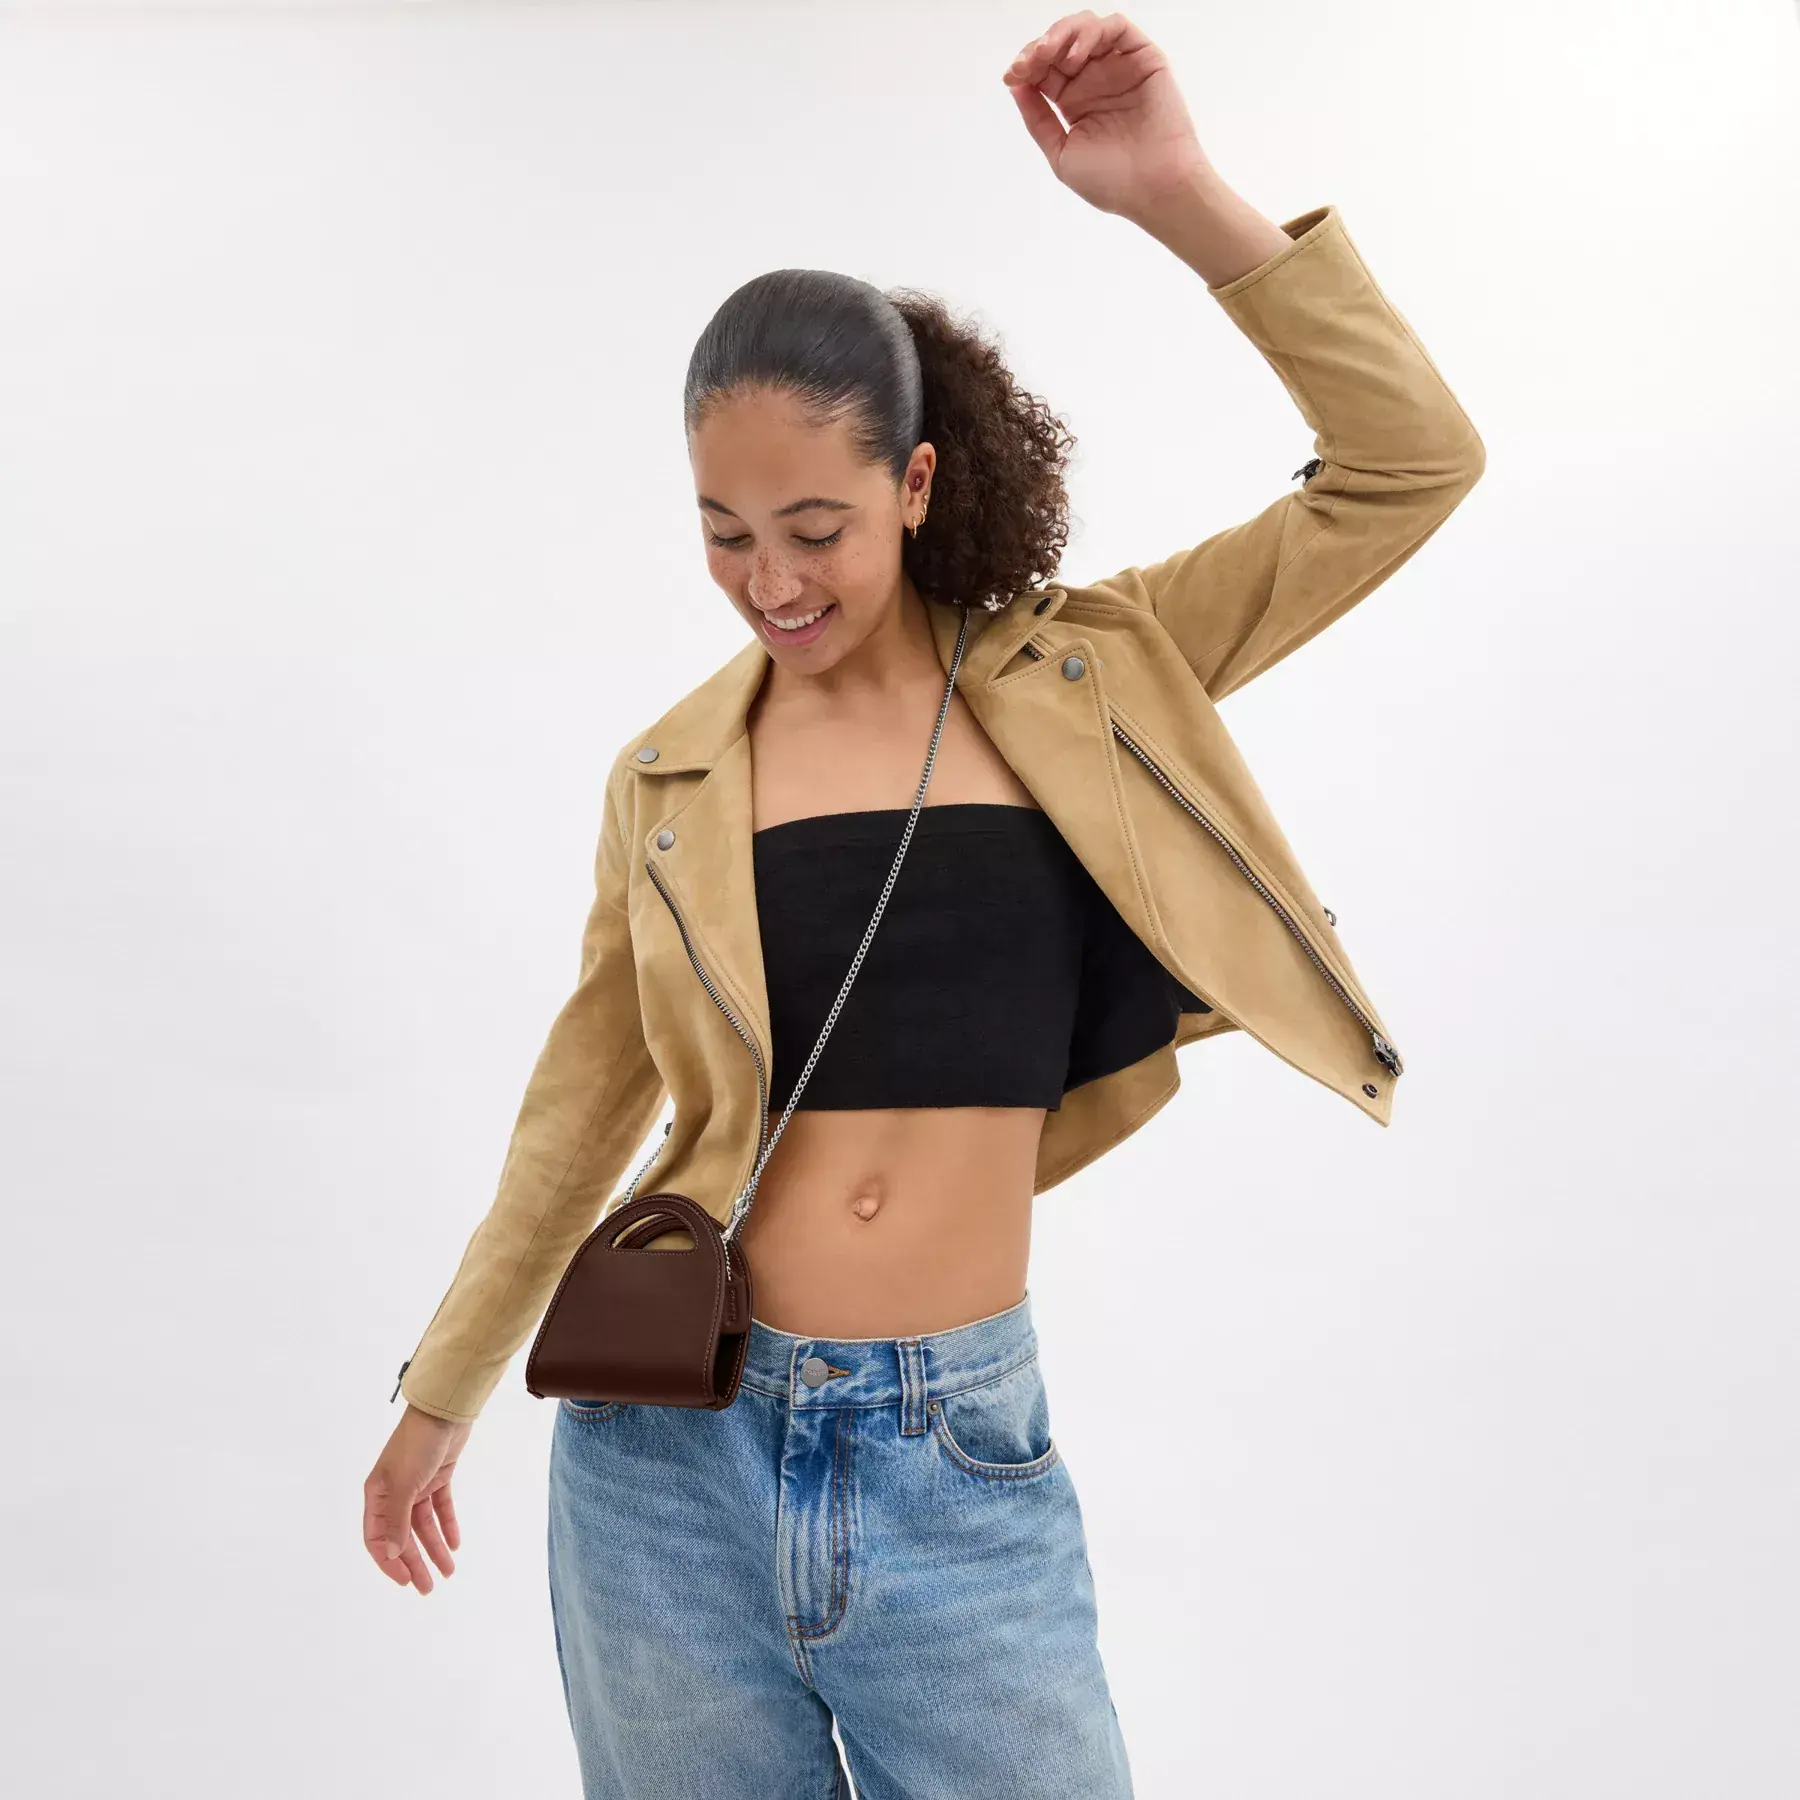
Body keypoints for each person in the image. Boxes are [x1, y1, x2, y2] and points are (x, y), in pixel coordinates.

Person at [362, 13, 1484, 1798]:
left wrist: (1180, 195)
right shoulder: (670, 779)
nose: (770, 580)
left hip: (955, 1456)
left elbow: (1410, 462)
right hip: (668, 1472)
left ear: (916, 482)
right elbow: (580, 1114)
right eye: (724, 531)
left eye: (814, 527)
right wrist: (440, 1396)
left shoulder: (1096, 672)